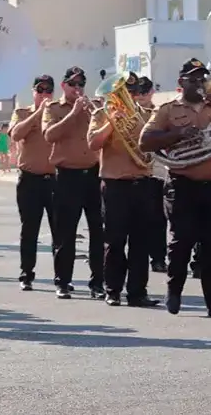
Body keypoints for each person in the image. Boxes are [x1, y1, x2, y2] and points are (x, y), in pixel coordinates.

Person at [140, 58, 211, 319]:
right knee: (181, 241)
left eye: (202, 78)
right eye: (193, 79)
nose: (199, 83)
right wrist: (177, 135)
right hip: (182, 184)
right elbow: (145, 142)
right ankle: (174, 290)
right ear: (181, 82)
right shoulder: (167, 110)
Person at [87, 71, 159, 308]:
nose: (129, 96)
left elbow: (154, 145)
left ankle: (138, 292)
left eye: (132, 92)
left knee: (141, 241)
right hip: (116, 184)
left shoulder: (148, 116)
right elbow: (93, 143)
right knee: (115, 240)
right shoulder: (102, 114)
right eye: (125, 92)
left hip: (143, 183)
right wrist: (111, 122)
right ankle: (113, 290)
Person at [42, 66, 104, 300]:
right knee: (65, 232)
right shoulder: (53, 108)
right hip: (67, 175)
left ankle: (98, 282)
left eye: (81, 85)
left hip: (94, 173)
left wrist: (96, 111)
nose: (77, 89)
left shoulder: (92, 108)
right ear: (63, 86)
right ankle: (63, 281)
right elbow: (49, 135)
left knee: (98, 230)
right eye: (73, 84)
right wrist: (74, 113)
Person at [9, 75, 56, 291]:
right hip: (30, 179)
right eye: (40, 90)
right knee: (29, 229)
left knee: (60, 230)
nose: (44, 95)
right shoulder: (22, 113)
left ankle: (61, 277)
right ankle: (26, 273)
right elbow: (16, 134)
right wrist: (38, 113)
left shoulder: (58, 112)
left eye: (48, 91)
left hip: (55, 179)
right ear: (33, 92)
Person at [135, 75, 168, 273]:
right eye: (138, 93)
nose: (141, 96)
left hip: (155, 172)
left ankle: (158, 257)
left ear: (151, 93)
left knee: (157, 218)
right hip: (134, 172)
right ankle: (139, 255)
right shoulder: (129, 113)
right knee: (137, 219)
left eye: (144, 92)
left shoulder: (160, 113)